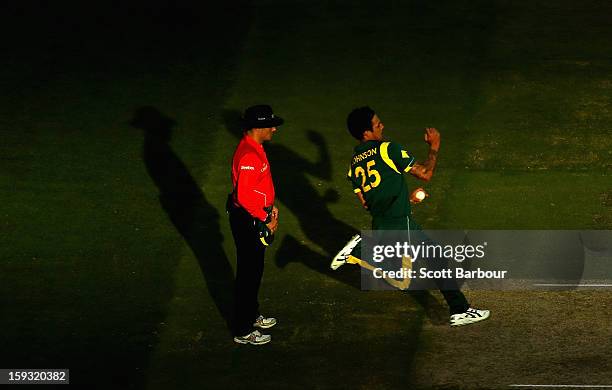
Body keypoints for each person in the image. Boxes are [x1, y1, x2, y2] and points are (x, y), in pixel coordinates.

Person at [331, 106, 490, 327]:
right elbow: (425, 174)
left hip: (383, 221)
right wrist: (434, 147)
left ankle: (460, 309)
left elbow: (368, 202)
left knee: (428, 263)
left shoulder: (354, 164)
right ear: (366, 132)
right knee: (417, 270)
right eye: (377, 124)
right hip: (399, 222)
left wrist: (407, 200)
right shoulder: (387, 149)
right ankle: (361, 249)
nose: (382, 126)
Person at [228, 104, 281, 345]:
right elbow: (244, 196)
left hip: (253, 215)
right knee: (248, 274)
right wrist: (264, 218)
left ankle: (251, 315)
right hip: (248, 219)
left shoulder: (254, 147)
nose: (274, 128)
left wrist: (270, 207)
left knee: (254, 270)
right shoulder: (249, 154)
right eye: (270, 124)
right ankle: (242, 329)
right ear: (258, 127)